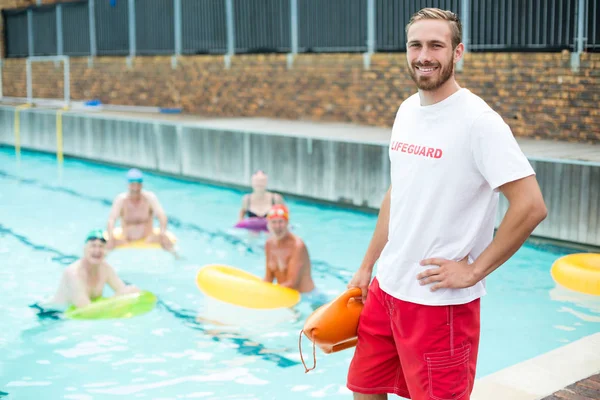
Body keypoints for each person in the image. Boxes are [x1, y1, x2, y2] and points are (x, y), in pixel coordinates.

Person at [346, 8, 547, 400]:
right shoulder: (407, 110)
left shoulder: (479, 122)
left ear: (457, 53)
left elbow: (531, 206)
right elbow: (397, 194)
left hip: (439, 306)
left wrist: (473, 271)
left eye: (436, 45)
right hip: (387, 289)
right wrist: (367, 266)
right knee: (365, 390)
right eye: (416, 45)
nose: (424, 55)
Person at [50, 229, 140, 308]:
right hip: (56, 316)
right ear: (84, 249)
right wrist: (117, 298)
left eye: (101, 246)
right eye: (93, 246)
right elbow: (84, 308)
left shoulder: (105, 269)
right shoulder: (73, 273)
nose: (97, 250)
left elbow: (123, 290)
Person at [263, 204, 325, 307]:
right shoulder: (269, 244)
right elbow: (268, 278)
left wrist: (269, 294)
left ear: (287, 223)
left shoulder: (297, 246)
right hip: (286, 295)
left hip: (308, 299)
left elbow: (292, 283)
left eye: (281, 222)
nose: (277, 226)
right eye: (274, 222)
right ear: (268, 224)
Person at [106, 168, 177, 257]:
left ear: (141, 185)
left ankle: (178, 259)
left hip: (148, 239)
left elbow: (162, 216)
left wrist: (162, 233)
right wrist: (111, 238)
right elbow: (111, 220)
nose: (135, 188)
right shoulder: (121, 200)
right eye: (133, 185)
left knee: (167, 242)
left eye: (138, 184)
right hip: (126, 240)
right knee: (105, 247)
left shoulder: (149, 198)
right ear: (128, 185)